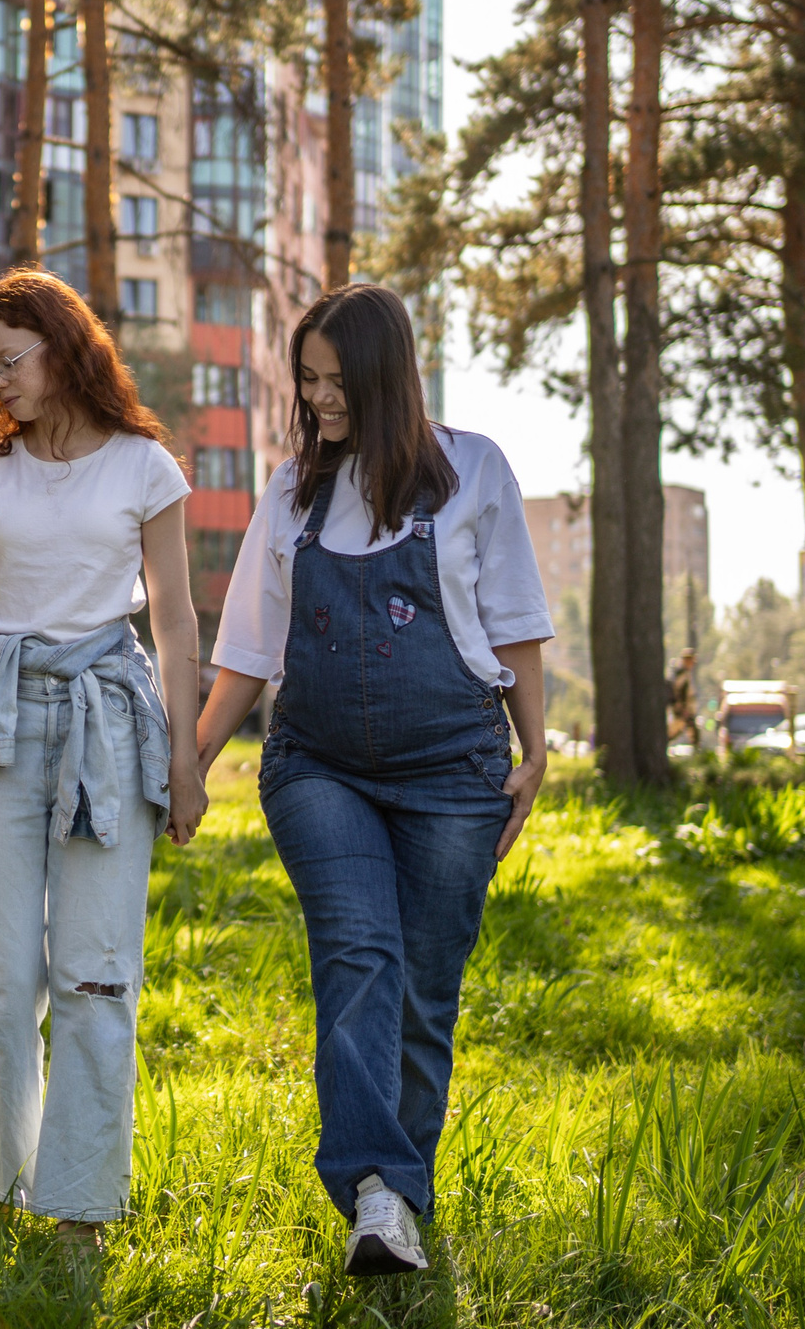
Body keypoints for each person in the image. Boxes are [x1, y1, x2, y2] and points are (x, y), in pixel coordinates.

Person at [194, 284, 551, 1276]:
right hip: (317, 767)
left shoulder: (473, 470)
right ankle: (373, 1188)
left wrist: (534, 753)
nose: (318, 400)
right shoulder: (291, 491)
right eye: (307, 380)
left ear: (387, 374)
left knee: (424, 995)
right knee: (359, 957)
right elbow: (248, 650)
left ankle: (395, 1208)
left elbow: (515, 622)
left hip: (455, 770)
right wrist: (191, 767)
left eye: (336, 381)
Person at [0, 269, 209, 1244]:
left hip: (108, 723)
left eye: (10, 363)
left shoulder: (145, 468)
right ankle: (6, 1181)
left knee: (94, 974)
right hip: (3, 725)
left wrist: (187, 761)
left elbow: (175, 618)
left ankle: (80, 1206)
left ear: (63, 348)